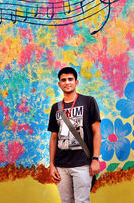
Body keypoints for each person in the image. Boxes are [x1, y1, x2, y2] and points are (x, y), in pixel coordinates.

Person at [48, 66, 101, 203]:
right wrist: (52, 165)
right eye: (63, 80)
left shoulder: (88, 102)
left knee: (82, 201)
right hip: (61, 165)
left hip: (82, 163)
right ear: (59, 84)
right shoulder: (56, 108)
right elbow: (54, 137)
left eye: (70, 79)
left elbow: (97, 132)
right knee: (66, 201)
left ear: (76, 82)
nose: (67, 82)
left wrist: (95, 159)